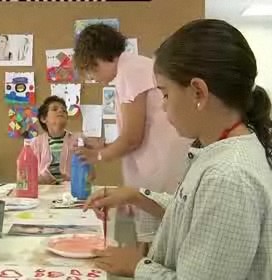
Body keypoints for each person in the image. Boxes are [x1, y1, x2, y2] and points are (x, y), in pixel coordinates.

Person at [84, 19, 272, 280]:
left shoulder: (228, 177)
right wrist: (136, 195)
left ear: (198, 92)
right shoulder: (218, 154)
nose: (162, 107)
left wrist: (138, 266)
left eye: (165, 94)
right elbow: (192, 211)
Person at [73, 24, 190, 250]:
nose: (93, 77)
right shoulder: (135, 68)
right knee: (151, 236)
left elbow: (132, 138)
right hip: (159, 162)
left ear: (100, 57)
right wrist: (105, 146)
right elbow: (136, 132)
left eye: (92, 69)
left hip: (161, 166)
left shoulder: (130, 71)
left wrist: (98, 155)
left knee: (155, 242)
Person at [27, 96, 94, 185]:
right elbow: (28, 173)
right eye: (55, 109)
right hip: (44, 190)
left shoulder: (78, 140)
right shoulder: (35, 143)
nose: (60, 111)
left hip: (71, 190)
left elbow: (91, 173)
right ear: (43, 118)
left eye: (64, 110)